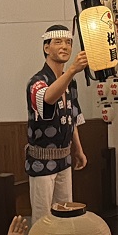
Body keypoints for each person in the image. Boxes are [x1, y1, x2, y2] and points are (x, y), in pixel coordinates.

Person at [26, 25, 88, 222]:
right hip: (41, 160)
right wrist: (72, 70)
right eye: (58, 42)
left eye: (68, 42)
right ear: (46, 48)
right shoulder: (37, 81)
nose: (65, 46)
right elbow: (48, 98)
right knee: (43, 218)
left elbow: (72, 118)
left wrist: (78, 150)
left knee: (65, 213)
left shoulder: (71, 82)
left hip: (64, 158)